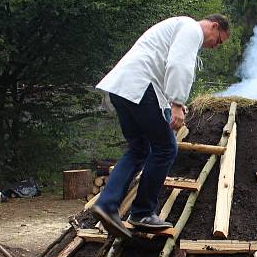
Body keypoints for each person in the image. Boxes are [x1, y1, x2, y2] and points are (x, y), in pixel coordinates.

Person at [93, 14, 230, 236]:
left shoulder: (175, 27)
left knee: (139, 150)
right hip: (140, 86)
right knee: (166, 148)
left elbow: (162, 66)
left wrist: (171, 104)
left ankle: (107, 204)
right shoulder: (191, 29)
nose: (215, 47)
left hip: (122, 87)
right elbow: (178, 64)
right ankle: (142, 212)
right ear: (214, 26)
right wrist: (177, 102)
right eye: (219, 40)